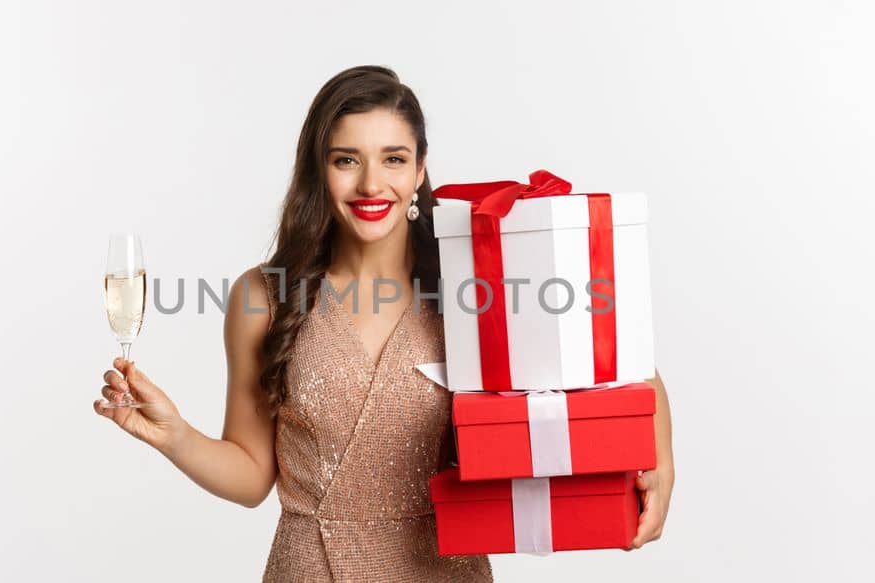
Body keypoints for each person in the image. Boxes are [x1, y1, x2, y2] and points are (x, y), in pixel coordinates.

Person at [93, 65, 676, 582]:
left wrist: (662, 462)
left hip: (447, 569)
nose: (372, 185)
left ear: (420, 168)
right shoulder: (262, 297)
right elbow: (250, 478)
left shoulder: (473, 282)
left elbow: (617, 367)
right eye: (347, 159)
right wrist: (174, 436)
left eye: (393, 159)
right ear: (317, 171)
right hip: (309, 569)